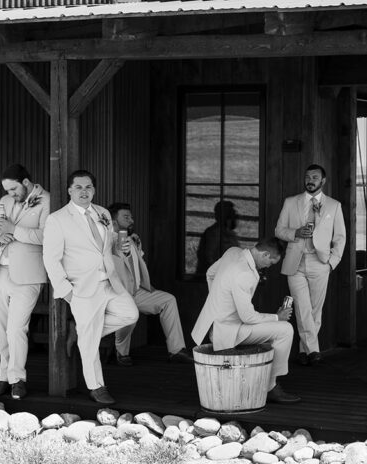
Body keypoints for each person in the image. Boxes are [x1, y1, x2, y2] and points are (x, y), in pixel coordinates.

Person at [43, 169, 139, 405]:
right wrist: (66, 292)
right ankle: (97, 386)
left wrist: (121, 248)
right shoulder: (57, 219)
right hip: (81, 288)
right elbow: (50, 259)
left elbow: (109, 247)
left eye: (88, 187)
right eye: (78, 187)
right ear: (69, 190)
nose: (84, 192)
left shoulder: (103, 213)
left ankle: (81, 335)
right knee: (89, 340)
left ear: (94, 190)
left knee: (130, 314)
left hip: (109, 281)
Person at [190, 238, 300, 404]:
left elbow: (210, 273)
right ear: (265, 254)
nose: (268, 267)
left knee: (276, 328)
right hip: (228, 331)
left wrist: (219, 299)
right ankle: (270, 387)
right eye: (271, 263)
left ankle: (264, 378)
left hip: (215, 324)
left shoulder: (233, 252)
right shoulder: (245, 274)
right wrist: (277, 317)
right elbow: (248, 318)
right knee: (285, 329)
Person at [0, 163, 50, 400]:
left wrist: (15, 229)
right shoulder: (5, 201)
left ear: (25, 183)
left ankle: (18, 379)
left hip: (29, 275)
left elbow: (45, 236)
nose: (10, 194)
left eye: (13, 189)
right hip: (0, 271)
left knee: (16, 329)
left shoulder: (47, 201)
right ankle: (3, 378)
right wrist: (0, 236)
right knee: (3, 331)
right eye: (7, 190)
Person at [274, 164, 346, 366]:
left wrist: (332, 262)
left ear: (323, 181)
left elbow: (340, 238)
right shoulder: (291, 202)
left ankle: (304, 351)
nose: (310, 180)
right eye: (307, 176)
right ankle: (314, 350)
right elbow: (279, 230)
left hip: (320, 262)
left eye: (315, 177)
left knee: (315, 310)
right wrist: (295, 233)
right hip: (295, 262)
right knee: (303, 307)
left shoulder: (334, 205)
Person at [107, 202, 192, 366]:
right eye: (126, 217)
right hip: (116, 295)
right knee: (129, 313)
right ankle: (121, 352)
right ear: (114, 222)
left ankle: (176, 351)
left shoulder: (132, 239)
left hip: (137, 291)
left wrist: (145, 284)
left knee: (168, 300)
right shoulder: (108, 240)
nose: (131, 220)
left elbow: (137, 265)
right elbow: (115, 253)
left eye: (131, 216)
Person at [197, 200, 241, 274]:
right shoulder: (214, 233)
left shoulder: (230, 233)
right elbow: (208, 258)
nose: (236, 218)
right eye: (232, 215)